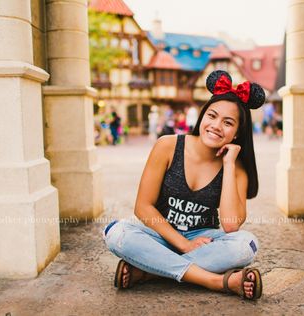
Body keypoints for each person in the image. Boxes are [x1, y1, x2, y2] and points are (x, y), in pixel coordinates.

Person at [103, 70, 265, 300]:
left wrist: (228, 164)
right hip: (159, 235)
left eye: (228, 123)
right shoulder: (167, 146)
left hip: (204, 239)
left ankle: (149, 271)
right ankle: (215, 281)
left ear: (237, 133)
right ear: (202, 116)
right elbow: (143, 207)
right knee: (116, 232)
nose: (216, 125)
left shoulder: (237, 168)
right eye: (212, 116)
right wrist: (183, 244)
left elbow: (230, 226)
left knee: (246, 244)